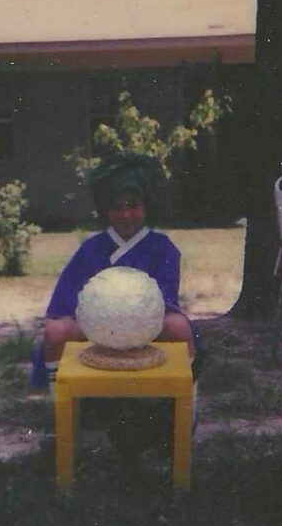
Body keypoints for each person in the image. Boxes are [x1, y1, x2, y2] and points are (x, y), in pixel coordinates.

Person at [30, 152, 197, 390]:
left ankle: (185, 398)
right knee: (55, 331)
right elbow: (65, 303)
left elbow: (164, 301)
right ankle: (59, 398)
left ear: (146, 206)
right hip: (95, 328)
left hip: (145, 328)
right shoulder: (91, 249)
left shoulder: (163, 248)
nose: (126, 214)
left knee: (178, 326)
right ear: (106, 210)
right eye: (117, 207)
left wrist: (128, 321)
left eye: (133, 206)